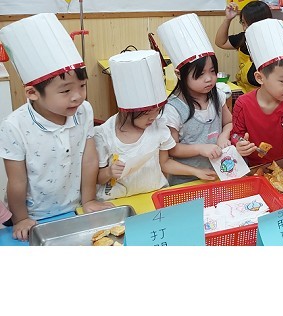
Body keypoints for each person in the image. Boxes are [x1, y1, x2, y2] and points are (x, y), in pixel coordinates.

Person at [0, 13, 112, 240]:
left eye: (82, 85)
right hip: (36, 216)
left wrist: (89, 199)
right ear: (32, 93)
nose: (77, 96)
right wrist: (21, 219)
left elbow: (89, 159)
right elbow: (17, 181)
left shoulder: (84, 110)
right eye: (66, 90)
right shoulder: (14, 126)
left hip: (75, 207)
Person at [94, 50, 187, 199]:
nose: (153, 117)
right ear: (127, 110)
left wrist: (197, 171)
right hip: (118, 200)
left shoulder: (158, 126)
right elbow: (97, 178)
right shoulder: (104, 134)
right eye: (146, 113)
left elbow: (165, 163)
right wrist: (109, 172)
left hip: (153, 196)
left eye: (158, 110)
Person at [158, 13, 233, 186]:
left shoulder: (217, 95)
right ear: (179, 74)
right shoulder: (173, 109)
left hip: (217, 173)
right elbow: (172, 148)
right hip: (186, 179)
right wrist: (200, 148)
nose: (209, 79)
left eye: (212, 71)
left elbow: (229, 122)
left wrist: (223, 135)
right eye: (200, 74)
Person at [232, 18, 283, 167]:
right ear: (260, 78)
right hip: (254, 166)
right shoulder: (243, 103)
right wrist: (239, 144)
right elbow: (236, 134)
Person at [215, 0, 273, 94]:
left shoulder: (272, 45)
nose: (245, 28)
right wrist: (228, 19)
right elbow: (220, 42)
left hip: (260, 95)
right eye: (243, 23)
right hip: (241, 89)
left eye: (249, 24)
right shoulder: (244, 37)